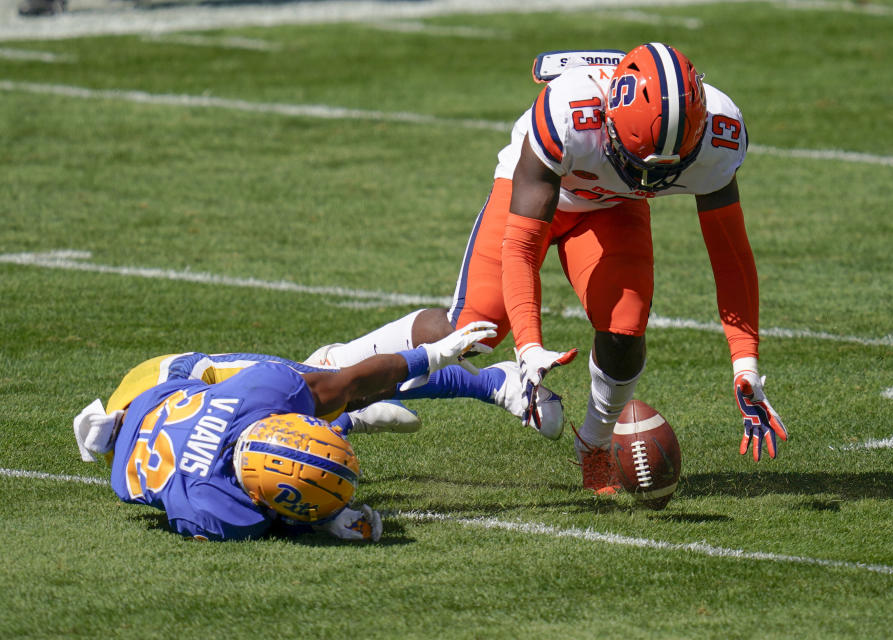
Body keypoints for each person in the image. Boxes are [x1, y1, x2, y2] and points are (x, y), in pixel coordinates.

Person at [334, 43, 787, 494]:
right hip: (538, 190)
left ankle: (594, 445)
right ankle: (339, 367)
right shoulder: (569, 112)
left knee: (625, 327)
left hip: (613, 207)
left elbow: (731, 256)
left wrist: (744, 364)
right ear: (609, 119)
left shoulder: (718, 134)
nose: (651, 182)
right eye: (639, 165)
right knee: (476, 328)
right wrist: (528, 348)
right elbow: (523, 248)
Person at [72, 321, 504, 541]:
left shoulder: (214, 502)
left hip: (163, 381)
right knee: (330, 394)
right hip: (142, 427)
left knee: (329, 380)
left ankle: (490, 382)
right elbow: (277, 508)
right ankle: (341, 422)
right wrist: (328, 516)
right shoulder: (212, 502)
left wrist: (431, 354)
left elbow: (350, 380)